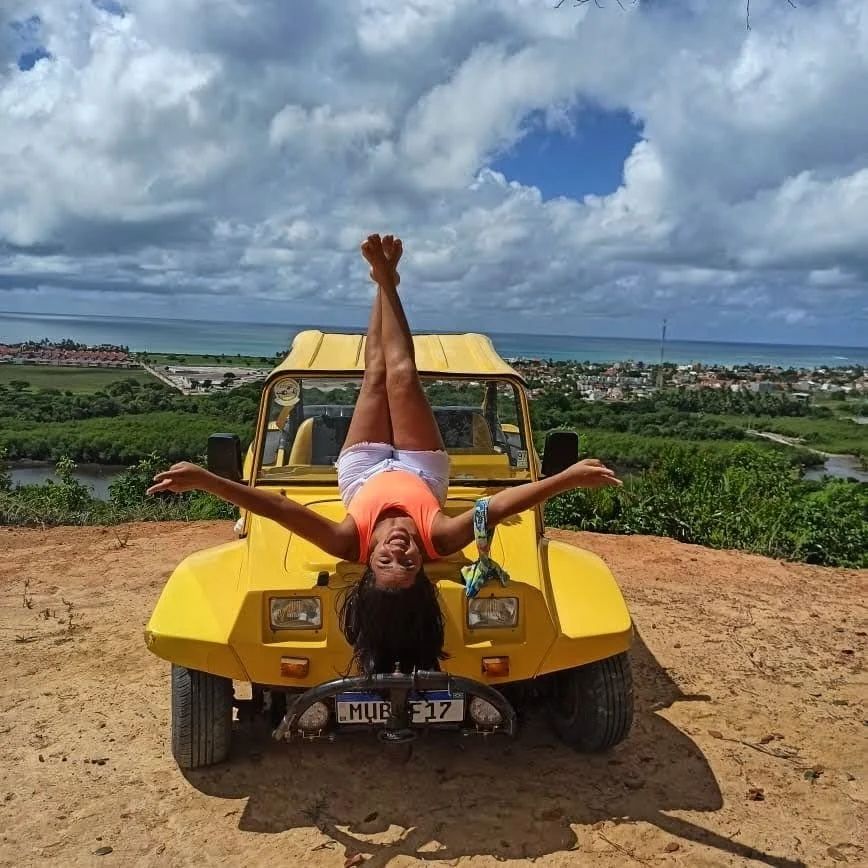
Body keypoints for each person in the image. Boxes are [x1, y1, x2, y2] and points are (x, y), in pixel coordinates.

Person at [147, 234, 621, 676]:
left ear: (367, 563)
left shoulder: (346, 542)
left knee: (375, 375)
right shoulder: (441, 537)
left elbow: (279, 506)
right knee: (403, 375)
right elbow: (500, 506)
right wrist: (568, 478)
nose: (399, 553)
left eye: (385, 564)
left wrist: (207, 480)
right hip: (422, 468)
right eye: (409, 566)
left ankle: (380, 279)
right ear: (422, 568)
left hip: (363, 469)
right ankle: (390, 283)